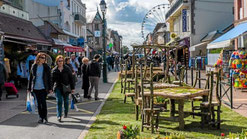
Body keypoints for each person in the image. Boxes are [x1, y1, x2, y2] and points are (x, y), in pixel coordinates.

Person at [27, 52, 52, 124]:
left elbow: (49, 78)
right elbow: (31, 78)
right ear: (38, 58)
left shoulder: (46, 67)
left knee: (43, 103)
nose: (44, 59)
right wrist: (29, 88)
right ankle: (40, 117)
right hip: (35, 88)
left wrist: (50, 88)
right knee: (38, 104)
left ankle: (45, 118)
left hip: (44, 87)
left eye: (44, 58)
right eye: (42, 58)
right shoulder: (34, 66)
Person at [52, 55, 75, 122]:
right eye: (59, 61)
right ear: (57, 62)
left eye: (62, 61)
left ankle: (66, 112)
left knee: (66, 101)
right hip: (58, 87)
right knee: (59, 101)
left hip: (66, 87)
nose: (60, 62)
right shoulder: (54, 70)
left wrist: (72, 88)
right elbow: (52, 80)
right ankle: (59, 115)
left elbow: (71, 79)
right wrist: (50, 88)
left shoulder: (67, 68)